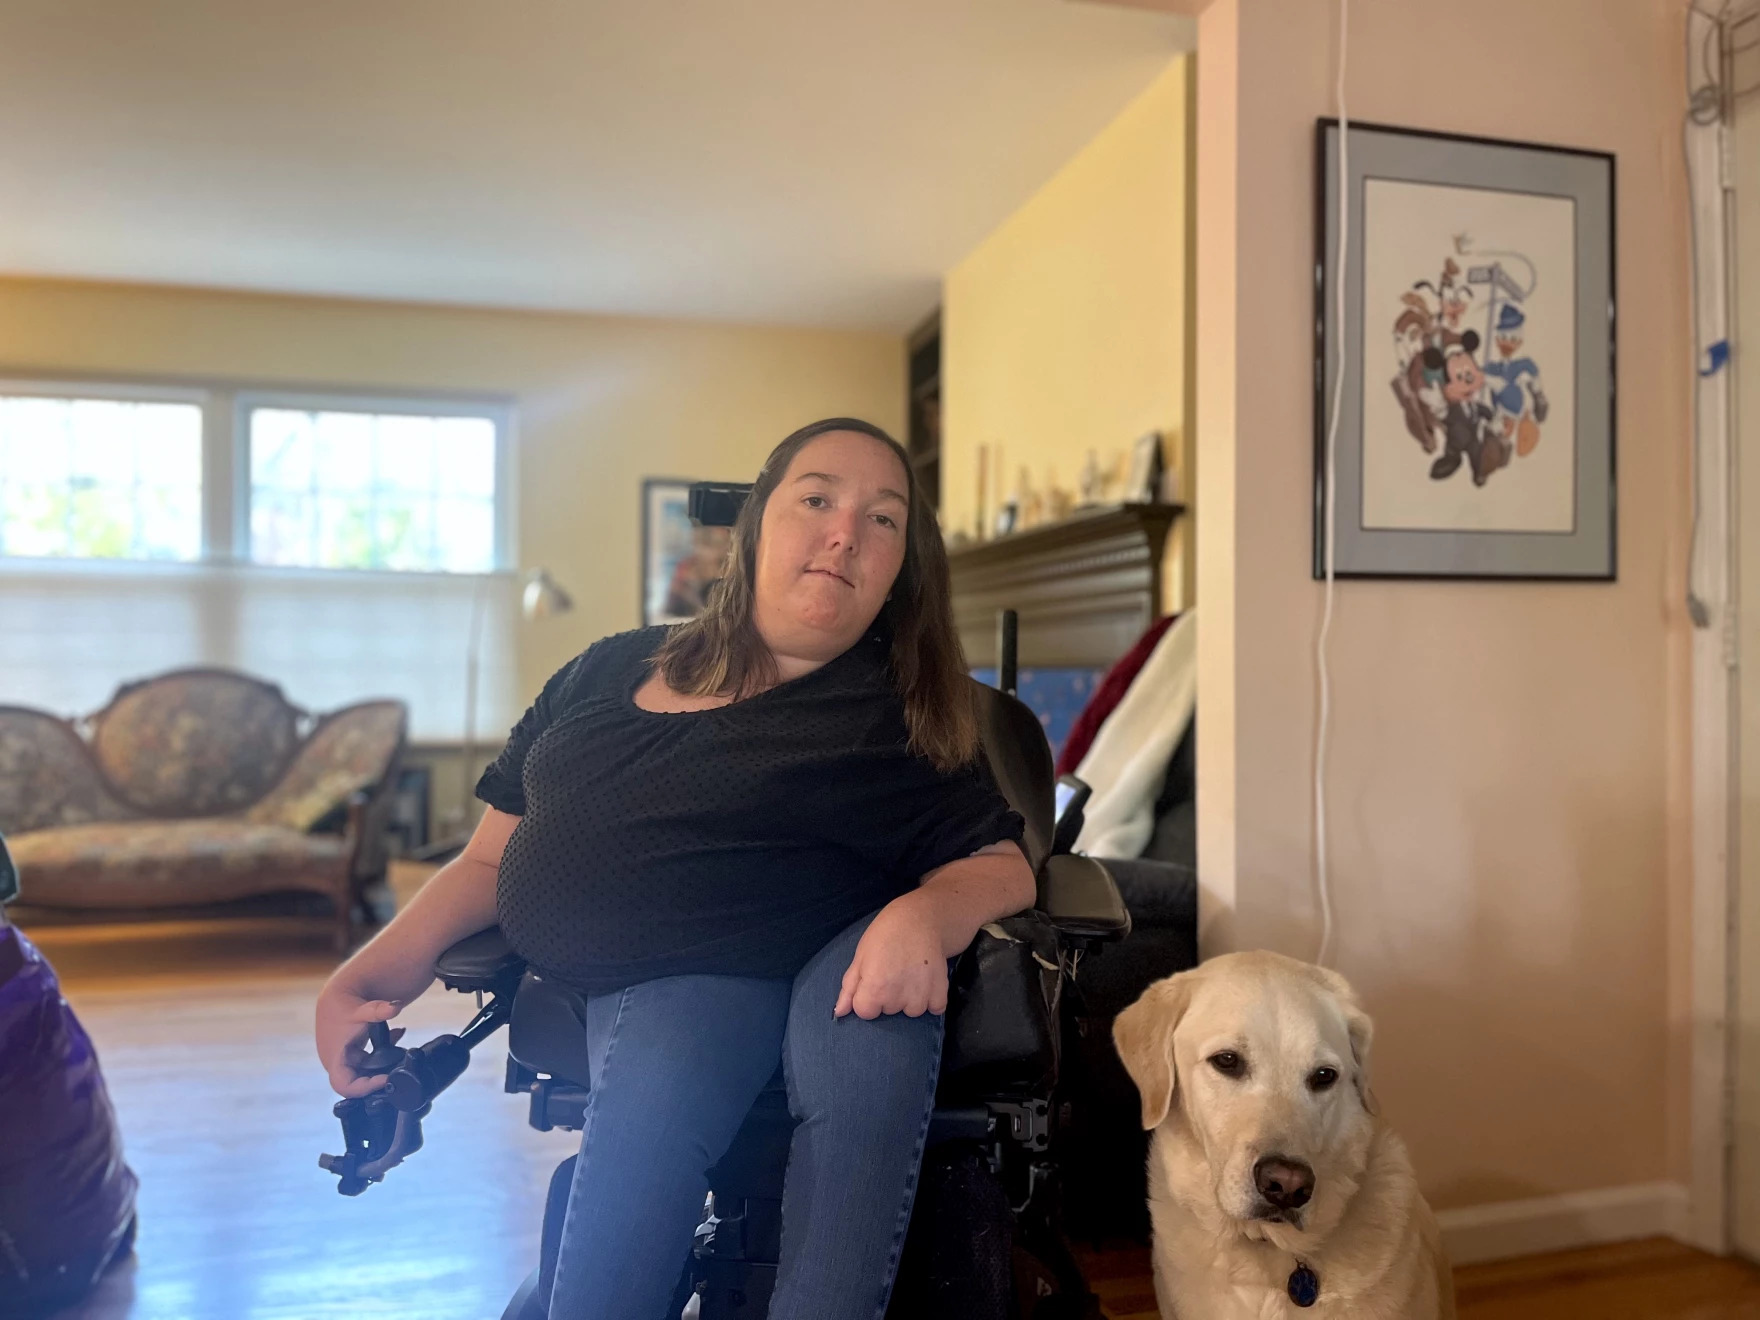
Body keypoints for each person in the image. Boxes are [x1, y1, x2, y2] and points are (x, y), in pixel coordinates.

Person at [314, 418, 1034, 1319]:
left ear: (899, 568)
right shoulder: (607, 667)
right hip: (618, 988)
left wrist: (925, 913)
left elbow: (1001, 863)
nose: (845, 531)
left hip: (773, 980)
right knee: (636, 1136)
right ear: (756, 523)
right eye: (816, 499)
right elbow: (489, 856)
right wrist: (365, 978)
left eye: (882, 519)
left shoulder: (900, 713)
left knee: (722, 1075)